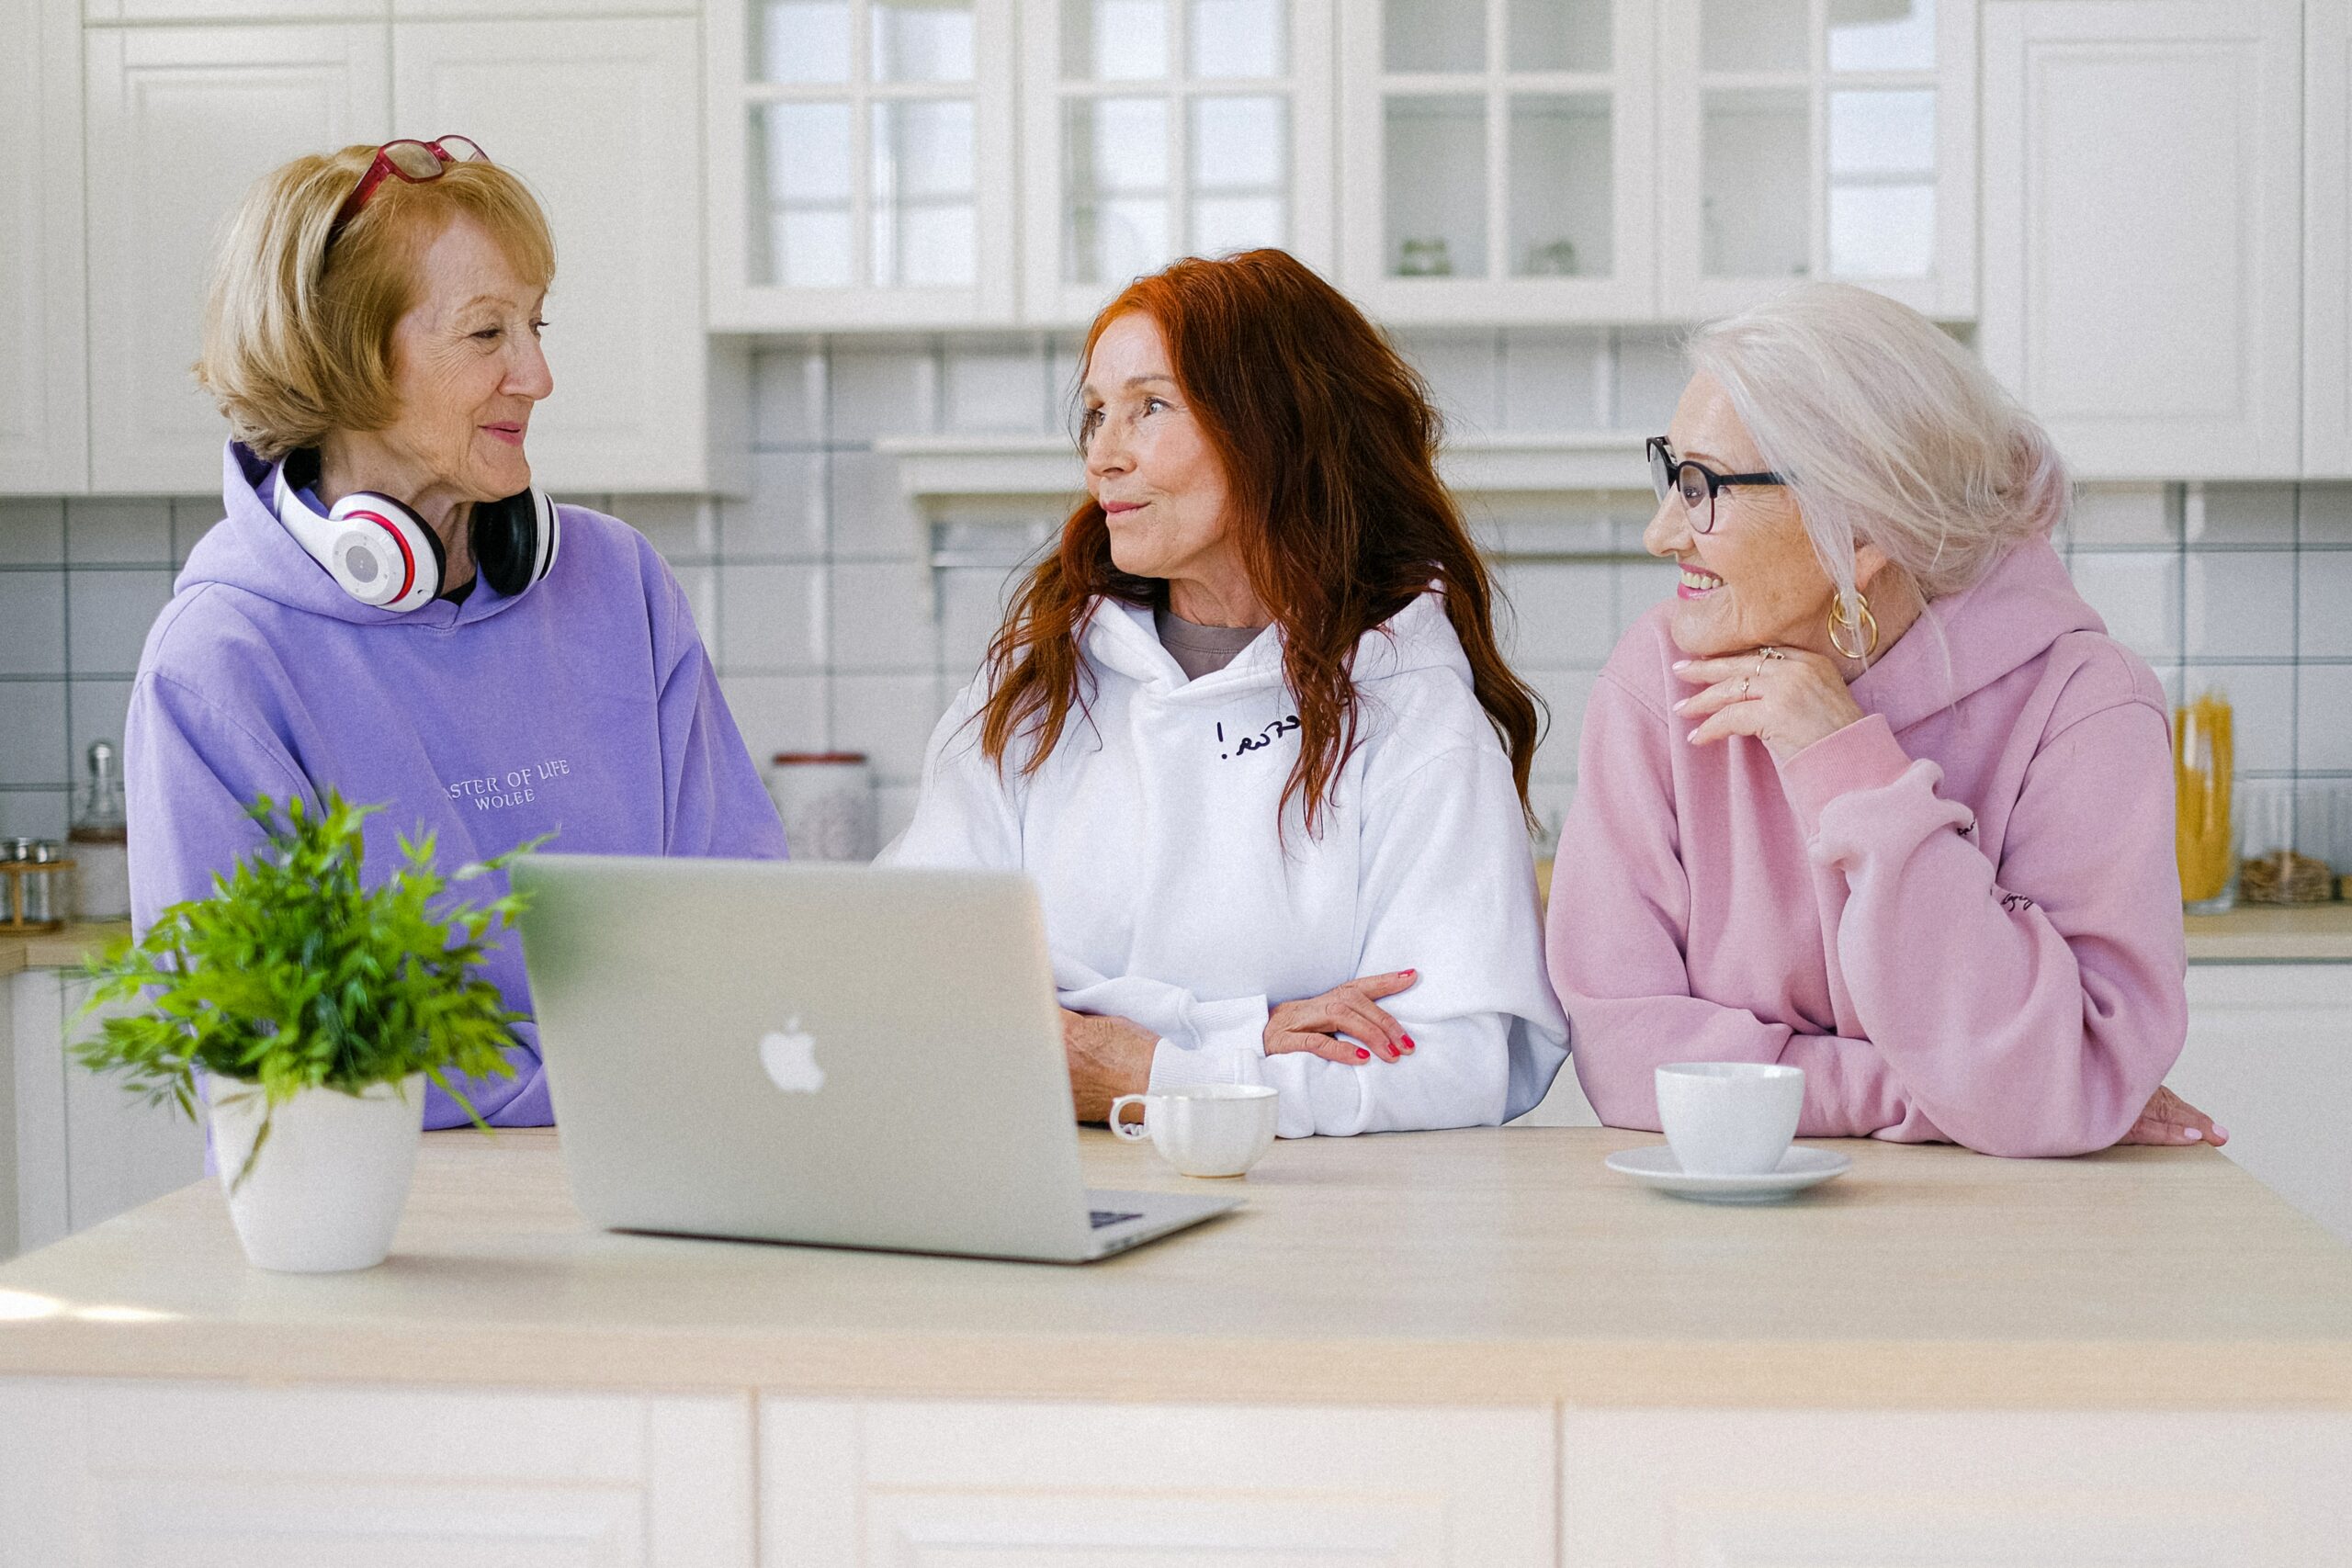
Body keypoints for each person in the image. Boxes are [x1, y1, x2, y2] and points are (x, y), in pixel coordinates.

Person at [128, 138, 785, 1127]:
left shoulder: (619, 584)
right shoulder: (220, 663)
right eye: (488, 334)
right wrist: (616, 1075)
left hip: (662, 1177)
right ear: (343, 359)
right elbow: (268, 1040)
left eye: (536, 325)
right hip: (384, 1224)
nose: (539, 375)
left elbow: (744, 918)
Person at [887, 250, 1567, 1138]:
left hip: (1307, 1238)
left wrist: (1141, 1069)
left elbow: (1453, 1068)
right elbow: (908, 975)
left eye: (1149, 407)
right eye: (1096, 414)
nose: (1102, 456)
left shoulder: (1416, 716)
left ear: (1274, 429)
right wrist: (1248, 1034)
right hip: (1045, 1207)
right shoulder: (1032, 687)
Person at [1547, 282, 2219, 1157]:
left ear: (1860, 531)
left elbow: (2067, 1072)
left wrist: (1848, 771)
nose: (1662, 529)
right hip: (1724, 1243)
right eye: (1669, 472)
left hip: (2011, 1248)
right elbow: (1628, 1058)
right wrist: (1939, 1094)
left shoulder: (2086, 706)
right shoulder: (1656, 682)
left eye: (1702, 484)